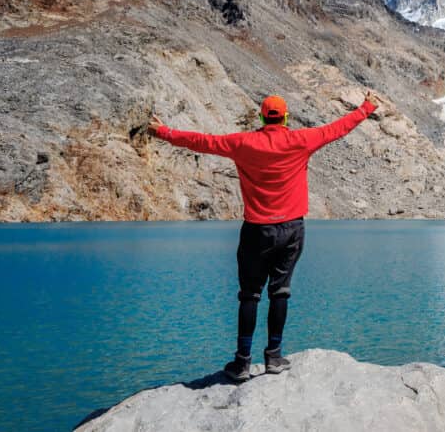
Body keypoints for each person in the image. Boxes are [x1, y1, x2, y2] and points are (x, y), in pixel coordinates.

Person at [147, 90, 380, 382]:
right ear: (285, 117)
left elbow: (201, 142)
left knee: (250, 295)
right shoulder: (301, 140)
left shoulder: (242, 143)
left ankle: (242, 362)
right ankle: (273, 357)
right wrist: (367, 106)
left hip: (256, 231)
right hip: (292, 229)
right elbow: (338, 128)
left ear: (261, 117)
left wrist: (163, 132)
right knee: (280, 292)